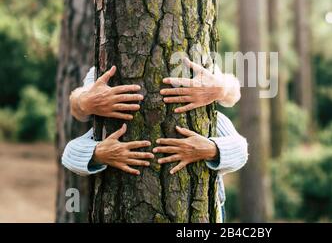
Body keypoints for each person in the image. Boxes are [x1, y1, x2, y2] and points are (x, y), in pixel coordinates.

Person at [61, 58, 247, 221]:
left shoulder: (199, 69)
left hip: (204, 209)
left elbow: (233, 97)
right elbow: (72, 140)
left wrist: (210, 149)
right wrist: (98, 152)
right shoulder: (106, 67)